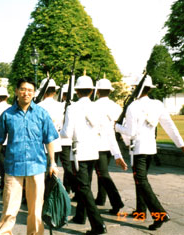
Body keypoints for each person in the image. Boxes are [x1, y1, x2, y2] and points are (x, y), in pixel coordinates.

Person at [0, 77, 59, 235]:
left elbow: (49, 139)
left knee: (35, 210)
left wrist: (53, 163)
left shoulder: (42, 114)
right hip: (13, 166)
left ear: (34, 94)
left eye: (29, 90)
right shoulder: (7, 115)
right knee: (9, 209)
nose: (26, 93)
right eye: (22, 89)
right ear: (16, 91)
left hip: (37, 166)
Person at [115, 75, 184, 231]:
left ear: (135, 88)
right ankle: (140, 211)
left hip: (138, 149)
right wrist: (181, 144)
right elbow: (169, 125)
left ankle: (159, 214)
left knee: (141, 181)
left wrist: (117, 127)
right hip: (151, 149)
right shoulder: (157, 104)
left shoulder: (133, 106)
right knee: (141, 180)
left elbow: (130, 132)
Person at [60, 73, 107, 235]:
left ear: (77, 91)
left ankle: (98, 224)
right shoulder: (97, 107)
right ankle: (80, 216)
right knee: (84, 186)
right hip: (93, 151)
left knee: (84, 187)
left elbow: (66, 133)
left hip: (78, 152)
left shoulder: (72, 108)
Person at [94, 78, 127, 215]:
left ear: (97, 92)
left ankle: (116, 202)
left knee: (103, 174)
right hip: (110, 144)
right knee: (102, 173)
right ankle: (101, 198)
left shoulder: (93, 106)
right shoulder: (115, 106)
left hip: (99, 143)